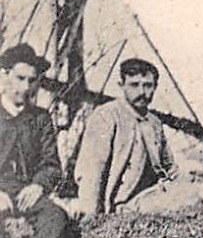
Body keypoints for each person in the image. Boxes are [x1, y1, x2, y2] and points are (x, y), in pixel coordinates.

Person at [0, 44, 74, 238]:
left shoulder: (41, 119)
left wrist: (38, 185)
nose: (26, 86)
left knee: (55, 215)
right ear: (4, 75)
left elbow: (52, 164)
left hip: (26, 192)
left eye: (32, 81)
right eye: (20, 78)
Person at [72, 58, 175, 216]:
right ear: (121, 85)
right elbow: (92, 168)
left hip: (154, 193)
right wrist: (91, 212)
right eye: (134, 85)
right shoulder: (106, 115)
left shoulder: (155, 123)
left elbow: (170, 168)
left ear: (155, 87)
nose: (142, 92)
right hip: (122, 202)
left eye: (148, 85)